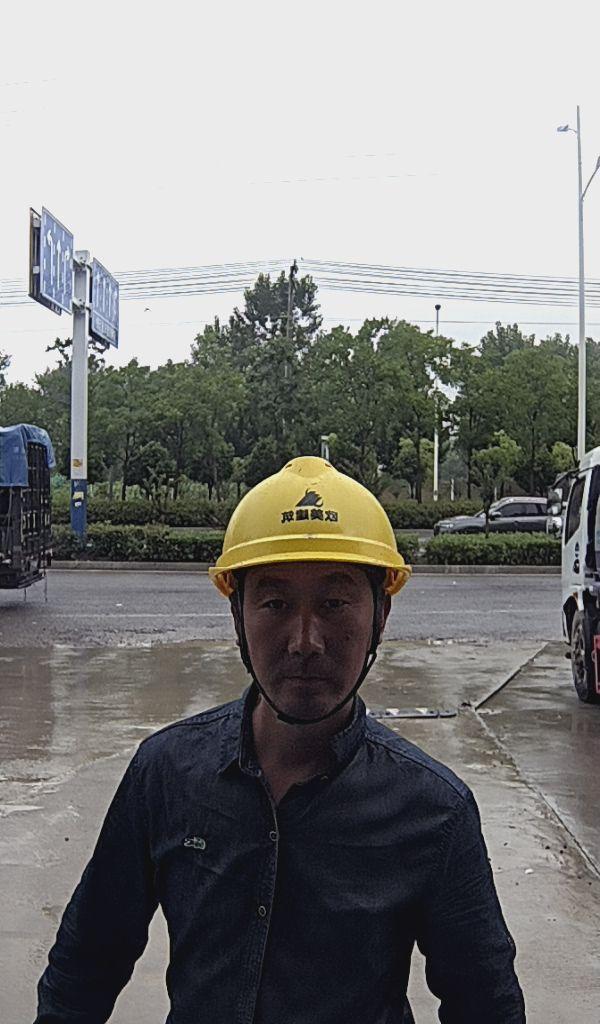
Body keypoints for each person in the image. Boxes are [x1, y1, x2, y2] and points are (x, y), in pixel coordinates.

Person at [35, 456, 526, 1023]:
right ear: (237, 615)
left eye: (334, 604)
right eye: (274, 604)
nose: (304, 641)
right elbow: (84, 968)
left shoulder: (434, 811)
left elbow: (486, 1007)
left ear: (381, 614)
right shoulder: (166, 774)